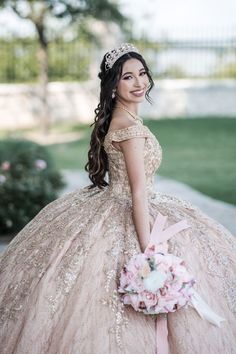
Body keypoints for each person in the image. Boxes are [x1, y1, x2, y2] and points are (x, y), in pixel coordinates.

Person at [0, 43, 235, 354]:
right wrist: (149, 251)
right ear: (113, 85)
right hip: (133, 204)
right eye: (127, 77)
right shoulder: (131, 131)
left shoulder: (121, 121)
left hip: (114, 200)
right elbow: (138, 190)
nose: (139, 83)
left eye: (142, 74)